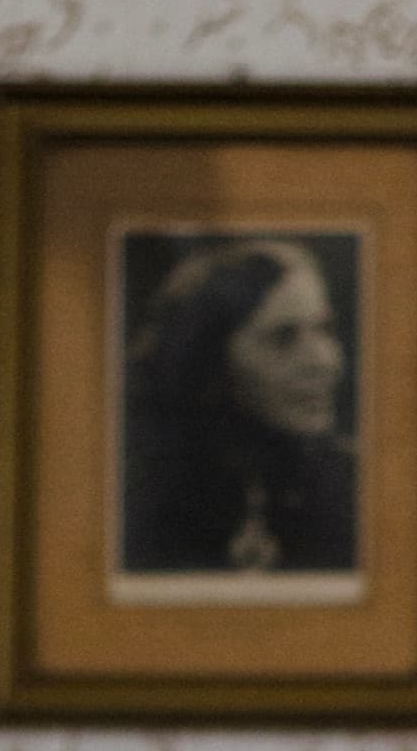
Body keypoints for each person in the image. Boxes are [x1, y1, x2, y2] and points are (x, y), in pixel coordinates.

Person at [119, 236, 359, 581]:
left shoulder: (352, 487)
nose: (325, 362)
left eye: (325, 329)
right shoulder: (147, 501)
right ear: (210, 362)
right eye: (283, 338)